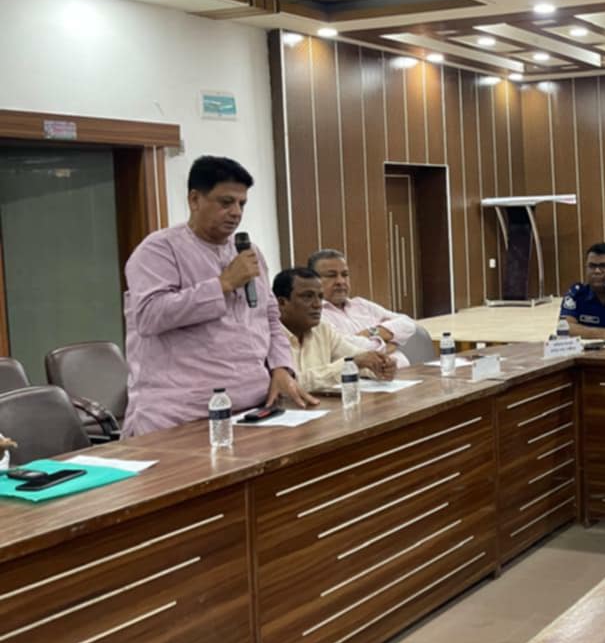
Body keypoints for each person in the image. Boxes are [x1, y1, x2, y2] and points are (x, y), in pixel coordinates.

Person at [122, 156, 313, 436]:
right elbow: (149, 316)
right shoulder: (158, 250)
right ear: (194, 200)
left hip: (253, 409)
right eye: (226, 202)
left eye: (242, 204)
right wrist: (223, 284)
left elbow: (270, 317)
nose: (236, 212)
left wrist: (281, 368)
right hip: (181, 415)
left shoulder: (248, 252)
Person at [273, 267, 396, 392]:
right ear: (281, 303)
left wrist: (380, 366)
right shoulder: (269, 337)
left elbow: (356, 356)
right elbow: (289, 383)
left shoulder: (322, 330)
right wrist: (352, 363)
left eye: (320, 297)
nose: (317, 304)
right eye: (308, 297)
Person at [309, 248, 417, 368]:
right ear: (313, 281)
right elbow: (347, 348)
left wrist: (371, 332)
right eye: (331, 275)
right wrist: (391, 343)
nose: (340, 281)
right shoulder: (315, 314)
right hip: (365, 378)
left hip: (406, 373)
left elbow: (408, 323)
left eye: (345, 274)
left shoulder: (361, 305)